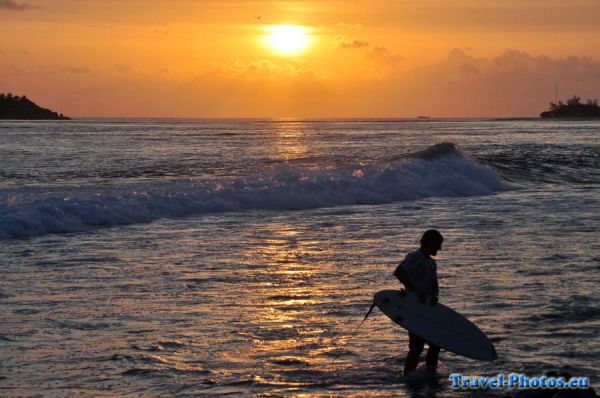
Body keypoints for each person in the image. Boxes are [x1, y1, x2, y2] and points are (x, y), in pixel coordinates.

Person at [393, 229, 443, 374]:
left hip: (428, 308)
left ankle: (430, 372)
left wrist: (434, 296)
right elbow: (399, 272)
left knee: (436, 343)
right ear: (428, 243)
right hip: (415, 308)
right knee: (417, 346)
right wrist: (414, 290)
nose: (439, 248)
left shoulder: (432, 263)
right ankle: (408, 376)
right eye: (438, 244)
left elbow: (434, 283)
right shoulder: (415, 257)